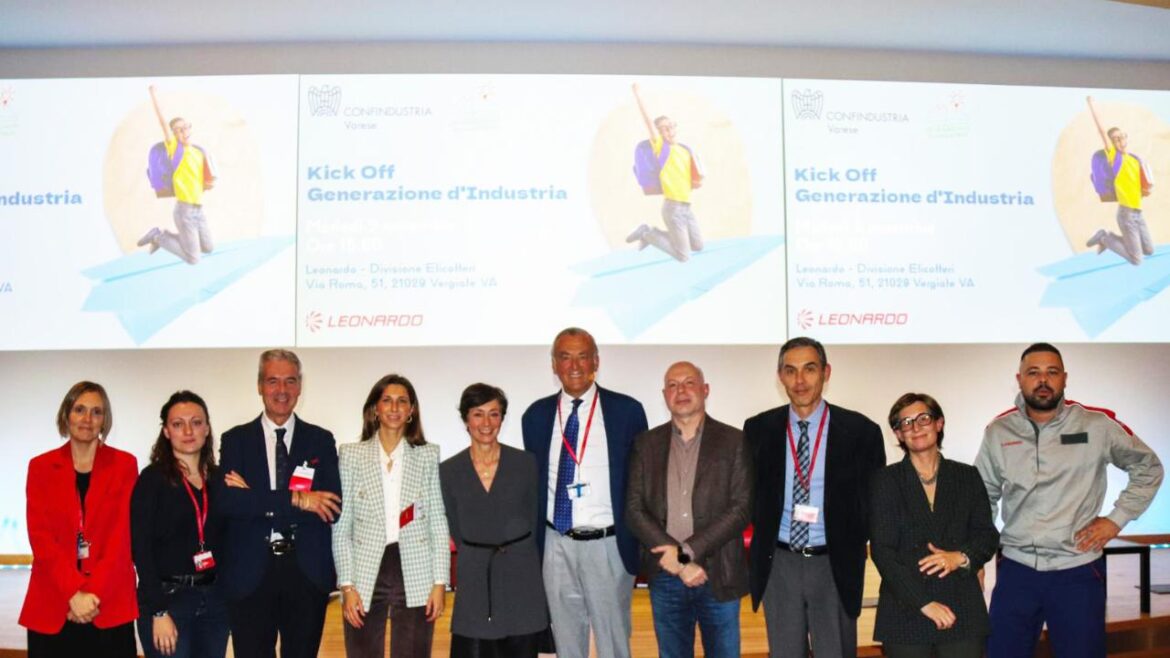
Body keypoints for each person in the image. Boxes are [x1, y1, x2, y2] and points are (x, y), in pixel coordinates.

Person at [976, 343, 1164, 657]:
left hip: (1077, 571)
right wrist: (976, 555)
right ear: (1019, 379)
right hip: (1017, 571)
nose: (1043, 380)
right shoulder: (999, 431)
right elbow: (983, 495)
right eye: (1033, 372)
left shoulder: (1096, 424)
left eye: (1052, 372)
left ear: (1065, 378)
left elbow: (1149, 467)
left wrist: (1116, 520)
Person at [745, 336, 885, 658]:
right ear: (780, 377)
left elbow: (872, 503)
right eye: (790, 370)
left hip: (833, 563)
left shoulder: (861, 431)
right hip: (780, 563)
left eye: (809, 369)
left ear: (826, 372)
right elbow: (752, 495)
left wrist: (850, 541)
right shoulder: (758, 429)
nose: (800, 380)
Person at [521, 326, 648, 658]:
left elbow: (642, 480)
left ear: (596, 362)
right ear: (554, 364)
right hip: (556, 544)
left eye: (582, 356)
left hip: (607, 545)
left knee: (613, 643)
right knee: (566, 644)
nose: (574, 365)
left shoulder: (627, 411)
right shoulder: (535, 416)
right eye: (565, 357)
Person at [216, 349, 342, 658]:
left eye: (290, 381)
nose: (282, 390)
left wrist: (257, 498)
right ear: (259, 385)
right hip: (250, 573)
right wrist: (298, 499)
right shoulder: (235, 440)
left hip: (305, 572)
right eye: (273, 381)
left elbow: (331, 508)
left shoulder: (320, 440)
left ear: (300, 386)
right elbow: (231, 503)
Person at [625, 361, 751, 658]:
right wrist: (679, 562)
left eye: (688, 383)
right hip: (665, 575)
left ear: (705, 390)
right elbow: (634, 509)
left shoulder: (734, 441)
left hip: (718, 574)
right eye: (672, 385)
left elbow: (742, 508)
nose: (680, 390)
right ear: (664, 395)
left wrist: (684, 554)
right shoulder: (646, 444)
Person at [869, 393, 999, 658]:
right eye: (906, 423)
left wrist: (960, 558)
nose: (915, 427)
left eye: (923, 419)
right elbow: (882, 551)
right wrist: (924, 603)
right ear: (898, 434)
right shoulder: (885, 481)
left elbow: (986, 535)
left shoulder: (967, 476)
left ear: (939, 424)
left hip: (962, 607)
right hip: (905, 610)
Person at [334, 374, 450, 658]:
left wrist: (439, 583)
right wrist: (346, 585)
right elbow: (341, 527)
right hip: (364, 569)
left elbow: (437, 522)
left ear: (412, 410)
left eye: (402, 401)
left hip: (415, 566)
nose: (394, 407)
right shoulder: (350, 455)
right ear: (375, 408)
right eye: (387, 400)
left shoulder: (427, 455)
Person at [19, 381, 138, 658]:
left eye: (97, 412)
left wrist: (91, 595)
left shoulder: (124, 465)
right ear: (66, 415)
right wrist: (73, 593)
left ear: (104, 420)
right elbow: (41, 538)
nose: (87, 419)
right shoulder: (40, 467)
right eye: (79, 409)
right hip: (54, 602)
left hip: (107, 603)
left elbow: (122, 538)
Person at [440, 383, 549, 658]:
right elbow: (455, 527)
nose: (486, 423)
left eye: (494, 414)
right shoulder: (448, 471)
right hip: (475, 576)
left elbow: (534, 517)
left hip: (522, 575)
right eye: (478, 414)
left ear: (502, 418)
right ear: (466, 419)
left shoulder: (526, 464)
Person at [131, 390, 229, 658]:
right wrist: (158, 611)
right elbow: (141, 549)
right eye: (178, 424)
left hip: (215, 602)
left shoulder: (221, 479)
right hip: (169, 601)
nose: (188, 431)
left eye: (196, 422)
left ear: (207, 428)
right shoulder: (152, 480)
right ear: (166, 431)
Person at [137, 84, 216, 264]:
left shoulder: (199, 152)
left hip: (199, 210)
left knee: (208, 248)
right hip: (184, 211)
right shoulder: (176, 149)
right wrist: (153, 94)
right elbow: (162, 122)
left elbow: (198, 180)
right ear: (174, 134)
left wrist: (207, 184)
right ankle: (158, 237)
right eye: (179, 130)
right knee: (194, 259)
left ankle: (166, 236)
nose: (184, 131)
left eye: (186, 127)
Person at [626, 82, 705, 262]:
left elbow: (691, 178)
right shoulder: (663, 150)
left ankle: (652, 234)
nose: (669, 130)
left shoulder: (685, 150)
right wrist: (638, 95)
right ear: (659, 134)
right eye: (664, 128)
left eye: (671, 126)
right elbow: (648, 122)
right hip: (673, 208)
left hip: (686, 207)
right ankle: (647, 233)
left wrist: (697, 180)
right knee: (684, 256)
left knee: (698, 245)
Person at [1085, 95, 1155, 266]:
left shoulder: (1134, 159)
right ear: (1112, 143)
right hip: (1126, 215)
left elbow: (1139, 184)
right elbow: (1102, 131)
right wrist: (1091, 104)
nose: (1121, 140)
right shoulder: (1116, 158)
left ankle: (1110, 238)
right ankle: (1104, 237)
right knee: (1137, 260)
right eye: (1116, 139)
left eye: (1122, 136)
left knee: (1149, 250)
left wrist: (1146, 188)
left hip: (1138, 213)